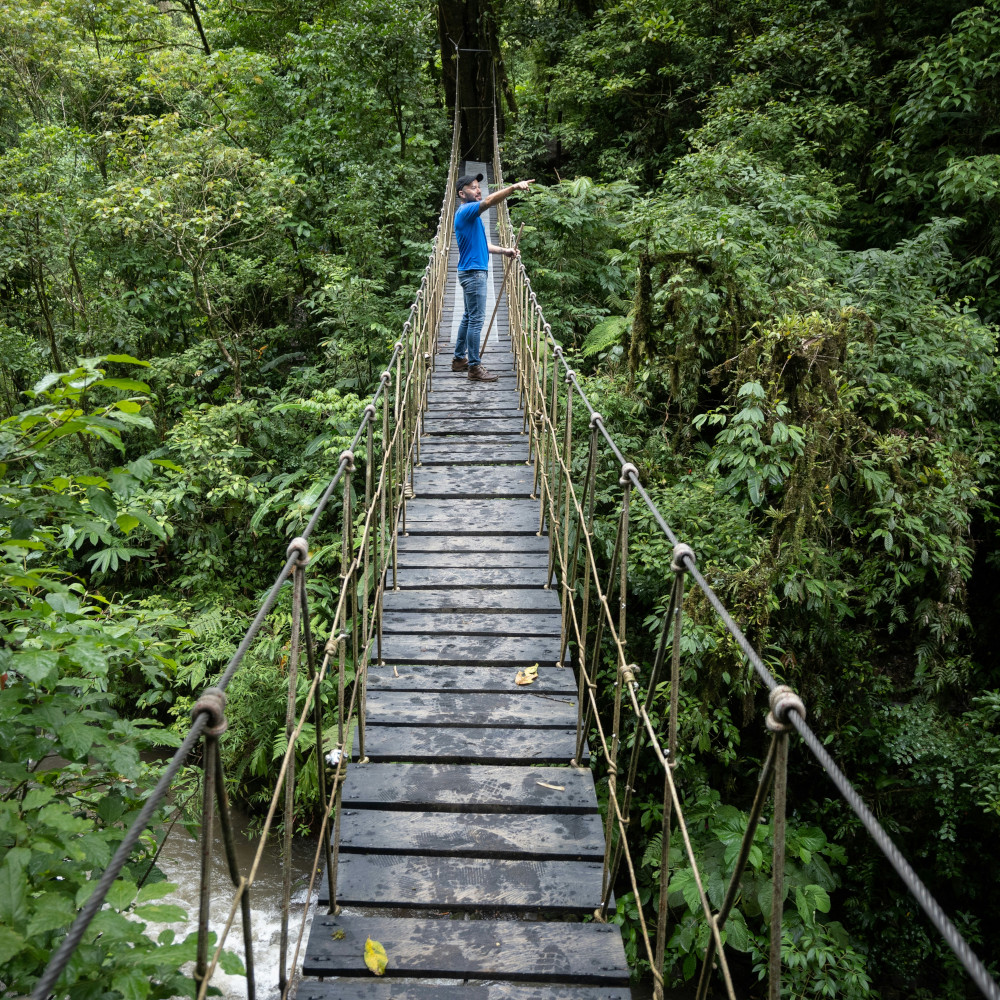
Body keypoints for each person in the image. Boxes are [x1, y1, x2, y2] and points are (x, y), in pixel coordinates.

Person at [452, 172, 535, 382]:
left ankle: (459, 359)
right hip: (474, 273)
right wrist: (514, 188)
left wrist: (504, 250)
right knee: (477, 320)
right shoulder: (467, 210)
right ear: (462, 193)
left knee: (469, 317)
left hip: (468, 271)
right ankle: (474, 367)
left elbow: (482, 245)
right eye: (473, 187)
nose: (478, 190)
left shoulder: (471, 217)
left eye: (479, 186)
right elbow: (489, 201)